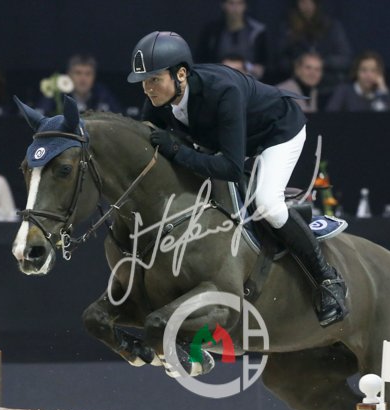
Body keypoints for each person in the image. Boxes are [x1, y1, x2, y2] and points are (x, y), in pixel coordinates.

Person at [128, 31, 346, 326]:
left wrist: (177, 151)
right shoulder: (159, 100)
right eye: (143, 81)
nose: (147, 88)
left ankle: (327, 280)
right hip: (230, 140)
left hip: (277, 132)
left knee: (266, 203)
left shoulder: (223, 91)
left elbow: (230, 167)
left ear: (180, 74)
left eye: (154, 79)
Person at [278, 0, 351, 92]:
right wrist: (298, 64)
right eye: (303, 2)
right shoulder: (288, 28)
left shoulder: (332, 26)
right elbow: (281, 60)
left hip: (329, 87)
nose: (307, 7)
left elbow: (345, 59)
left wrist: (321, 62)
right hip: (297, 87)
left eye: (311, 2)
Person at [198, 0, 269, 79]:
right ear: (223, 5)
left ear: (245, 6)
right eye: (231, 3)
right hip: (219, 79)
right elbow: (201, 60)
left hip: (249, 80)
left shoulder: (257, 32)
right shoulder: (212, 32)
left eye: (240, 3)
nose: (235, 8)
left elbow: (265, 63)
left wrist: (258, 69)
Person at [39, 54, 122, 115]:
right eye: (78, 73)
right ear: (69, 75)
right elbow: (40, 117)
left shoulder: (102, 94)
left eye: (88, 74)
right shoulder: (57, 95)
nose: (83, 79)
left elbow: (119, 119)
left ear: (94, 76)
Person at [326, 50, 390, 112]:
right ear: (356, 72)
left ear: (379, 73)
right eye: (364, 70)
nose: (368, 75)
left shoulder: (382, 93)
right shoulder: (343, 91)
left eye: (373, 70)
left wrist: (383, 90)